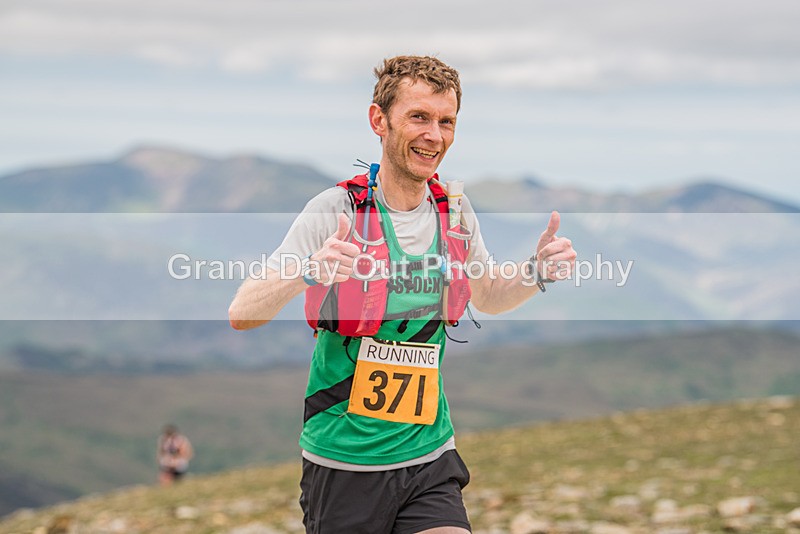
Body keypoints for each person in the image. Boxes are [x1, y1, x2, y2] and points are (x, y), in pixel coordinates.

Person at [229, 55, 576, 534]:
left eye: (446, 121)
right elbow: (242, 312)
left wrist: (537, 272)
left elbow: (489, 295)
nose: (434, 135)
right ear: (379, 120)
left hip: (429, 454)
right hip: (344, 461)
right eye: (419, 117)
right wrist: (307, 272)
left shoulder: (454, 211)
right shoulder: (335, 210)